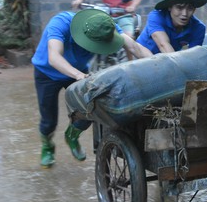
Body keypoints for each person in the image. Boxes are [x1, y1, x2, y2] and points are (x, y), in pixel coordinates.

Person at [31, 9, 152, 168]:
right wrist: (78, 75)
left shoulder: (105, 26)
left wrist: (159, 63)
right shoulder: (61, 23)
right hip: (47, 73)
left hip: (79, 71)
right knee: (49, 120)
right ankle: (47, 146)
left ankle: (72, 135)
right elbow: (54, 58)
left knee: (89, 109)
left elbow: (135, 48)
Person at [136, 0, 207, 54]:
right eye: (179, 8)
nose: (185, 14)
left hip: (169, 59)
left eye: (190, 8)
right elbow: (163, 45)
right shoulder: (156, 17)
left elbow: (194, 56)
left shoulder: (198, 28)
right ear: (170, 7)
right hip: (143, 57)